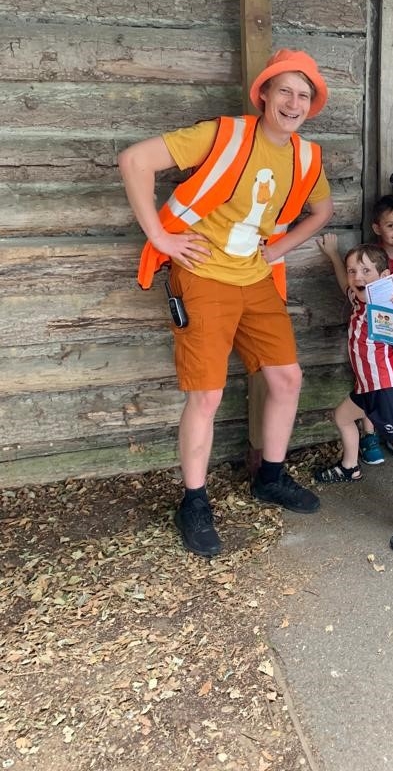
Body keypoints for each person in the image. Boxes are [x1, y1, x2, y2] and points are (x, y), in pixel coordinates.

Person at [118, 49, 334, 558]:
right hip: (202, 276)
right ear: (264, 94)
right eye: (284, 90)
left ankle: (271, 478)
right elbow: (134, 160)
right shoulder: (225, 134)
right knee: (207, 395)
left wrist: (279, 247)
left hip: (256, 278)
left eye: (303, 95)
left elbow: (321, 211)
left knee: (286, 378)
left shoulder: (306, 155)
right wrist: (161, 238)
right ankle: (193, 502)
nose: (293, 102)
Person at [313, 244, 393, 553]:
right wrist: (333, 256)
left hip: (388, 390)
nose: (357, 276)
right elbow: (343, 282)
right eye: (354, 270)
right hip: (366, 387)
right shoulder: (358, 298)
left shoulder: (384, 307)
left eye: (366, 271)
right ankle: (349, 467)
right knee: (342, 417)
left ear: (384, 277)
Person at [316, 193, 393, 463]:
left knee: (390, 384)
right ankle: (371, 438)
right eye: (391, 225)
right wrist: (333, 255)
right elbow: (349, 285)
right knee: (369, 381)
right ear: (378, 228)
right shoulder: (367, 264)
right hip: (372, 337)